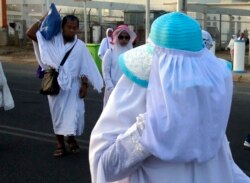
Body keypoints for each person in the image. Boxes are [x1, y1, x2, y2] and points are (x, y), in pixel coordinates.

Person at [89, 12, 250, 183]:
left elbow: (103, 167)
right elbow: (104, 166)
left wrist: (152, 128)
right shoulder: (202, 104)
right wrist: (150, 128)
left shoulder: (204, 111)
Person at [26, 14, 103, 157]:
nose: (72, 31)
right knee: (58, 115)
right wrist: (44, 18)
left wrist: (84, 85)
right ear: (62, 27)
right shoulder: (51, 41)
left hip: (74, 85)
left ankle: (71, 138)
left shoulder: (80, 46)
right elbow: (30, 33)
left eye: (75, 28)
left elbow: (84, 66)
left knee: (76, 114)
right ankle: (60, 143)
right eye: (69, 27)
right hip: (56, 84)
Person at [102, 25, 136, 107]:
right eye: (121, 37)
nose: (124, 39)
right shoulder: (110, 52)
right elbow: (105, 72)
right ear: (117, 37)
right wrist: (111, 88)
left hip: (128, 90)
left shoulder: (132, 53)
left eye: (126, 37)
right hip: (113, 89)